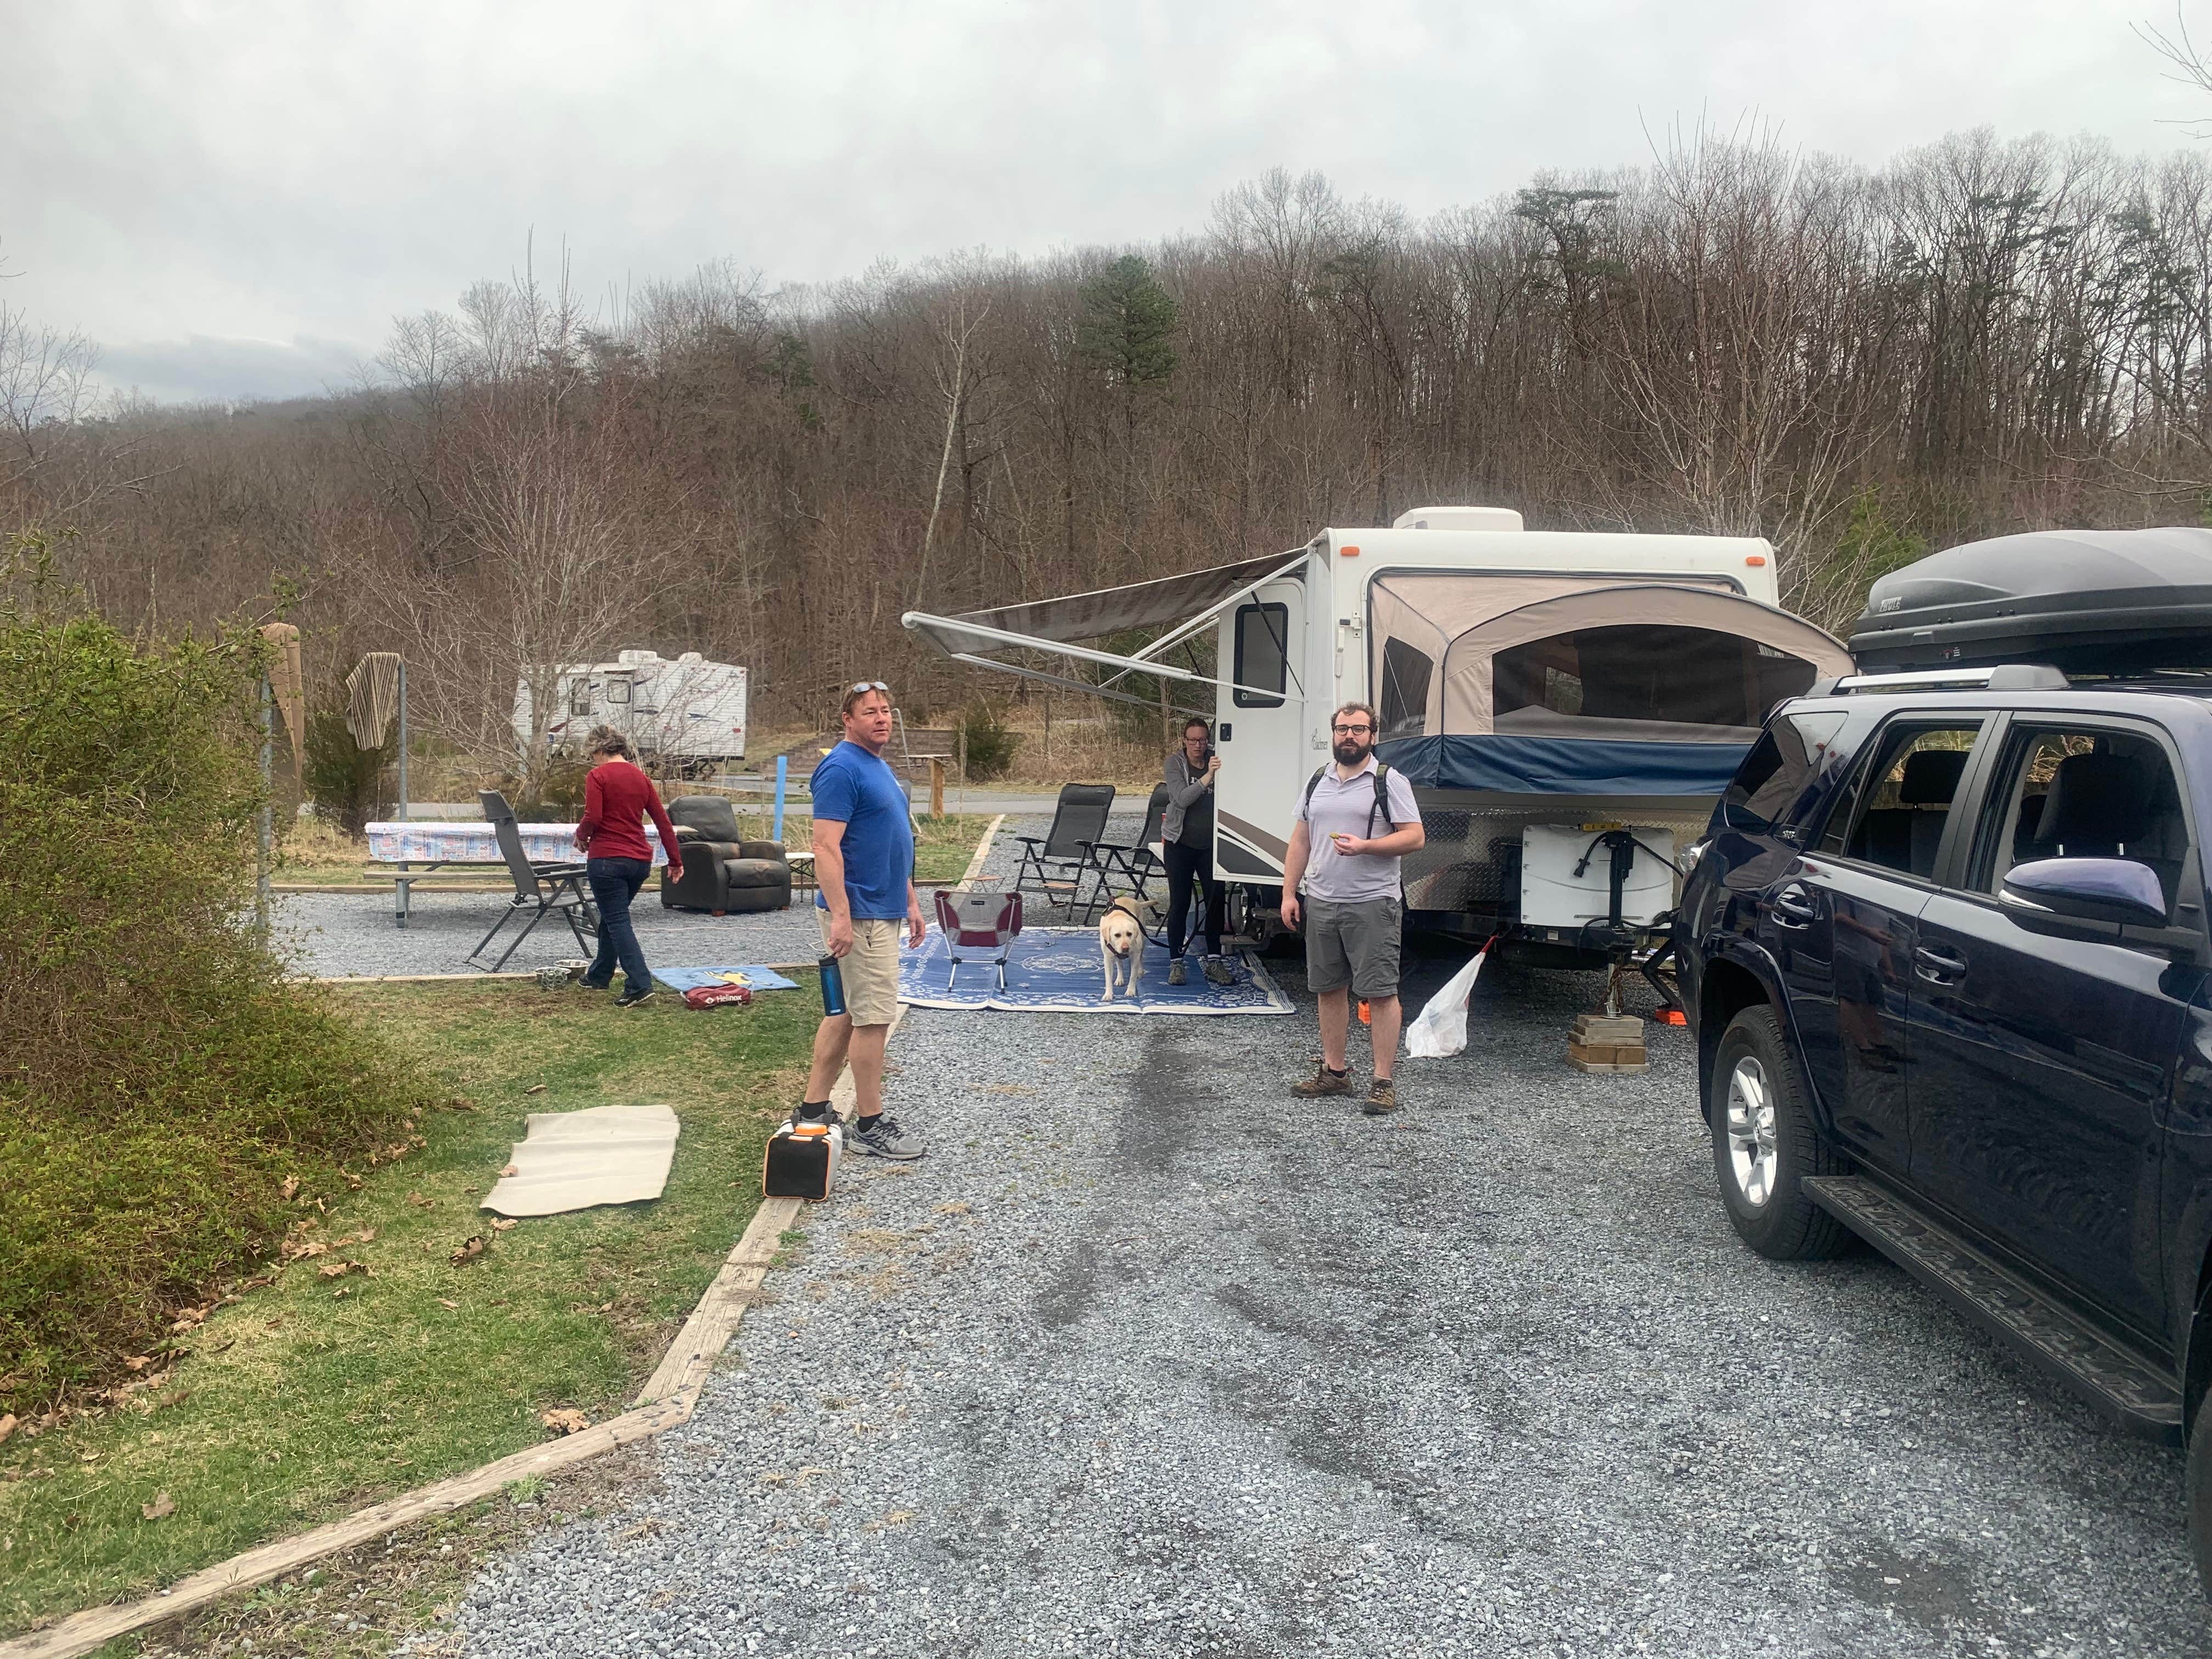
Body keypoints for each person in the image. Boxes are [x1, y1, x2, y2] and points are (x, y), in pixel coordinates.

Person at [790, 682, 928, 1160]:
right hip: (861, 914)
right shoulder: (840, 768)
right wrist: (842, 918)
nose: (882, 719)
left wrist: (909, 899)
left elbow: (891, 839)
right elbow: (826, 846)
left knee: (846, 1013)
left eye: (886, 710)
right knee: (874, 1020)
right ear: (848, 720)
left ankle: (812, 1111)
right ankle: (870, 1124)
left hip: (883, 906)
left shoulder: (879, 765)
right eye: (870, 712)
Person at [1279, 701, 1425, 1114]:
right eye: (1343, 729)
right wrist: (1291, 892)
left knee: (1380, 993)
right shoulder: (1316, 781)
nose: (1349, 736)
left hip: (1373, 905)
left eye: (1358, 729)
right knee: (1328, 990)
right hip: (1322, 902)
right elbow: (1301, 841)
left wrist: (1366, 847)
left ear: (1372, 736)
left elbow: (1415, 837)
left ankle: (1383, 1082)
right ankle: (1335, 1074)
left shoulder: (1388, 780)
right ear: (1334, 734)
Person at [572, 727, 683, 1007]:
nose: (592, 760)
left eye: (592, 754)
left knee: (618, 920)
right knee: (612, 916)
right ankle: (599, 975)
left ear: (599, 750)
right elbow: (663, 823)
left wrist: (581, 835)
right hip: (638, 863)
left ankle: (639, 984)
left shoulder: (597, 776)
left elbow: (593, 815)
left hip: (607, 860)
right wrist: (675, 860)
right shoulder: (642, 779)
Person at [1161, 715, 1233, 986]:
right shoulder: (1174, 764)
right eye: (1193, 740)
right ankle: (1176, 963)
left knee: (1216, 903)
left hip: (1212, 845)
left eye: (1203, 740)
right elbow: (1181, 798)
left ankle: (1215, 961)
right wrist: (1208, 777)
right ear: (1184, 740)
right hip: (1180, 844)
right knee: (1180, 903)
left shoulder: (1218, 760)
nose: (1198, 746)